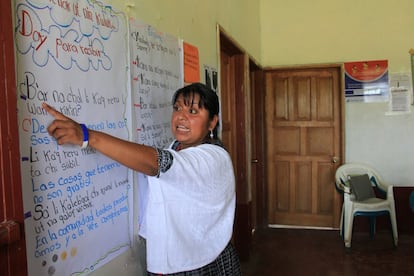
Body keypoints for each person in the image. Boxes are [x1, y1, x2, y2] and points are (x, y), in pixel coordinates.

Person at [43, 82, 241, 275]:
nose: (181, 117)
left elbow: (158, 163)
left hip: (203, 264)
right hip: (173, 260)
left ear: (212, 122)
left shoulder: (213, 158)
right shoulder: (176, 146)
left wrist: (88, 136)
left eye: (193, 112)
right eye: (177, 108)